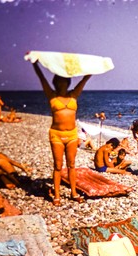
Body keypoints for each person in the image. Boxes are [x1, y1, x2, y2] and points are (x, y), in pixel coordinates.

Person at [32, 61, 91, 206]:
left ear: (68, 82)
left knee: (71, 165)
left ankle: (74, 193)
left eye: (64, 81)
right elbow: (42, 79)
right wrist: (35, 64)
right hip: (56, 135)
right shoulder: (51, 95)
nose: (61, 84)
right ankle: (57, 195)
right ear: (56, 83)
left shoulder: (74, 94)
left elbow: (84, 79)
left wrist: (92, 68)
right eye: (59, 81)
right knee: (58, 166)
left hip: (71, 134)